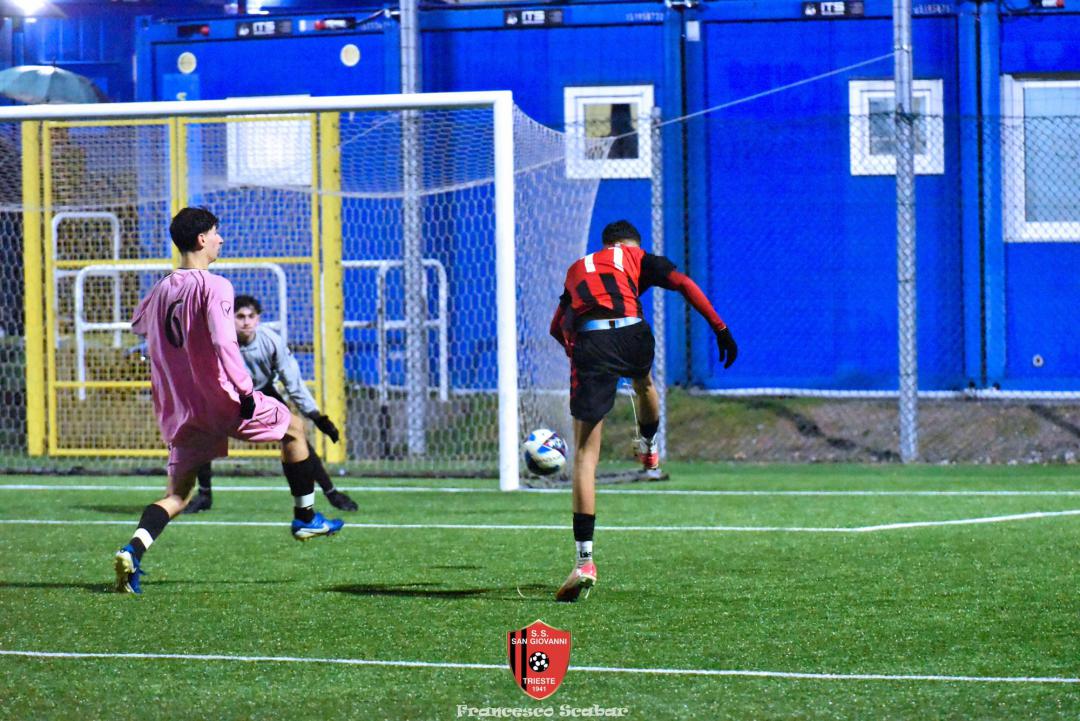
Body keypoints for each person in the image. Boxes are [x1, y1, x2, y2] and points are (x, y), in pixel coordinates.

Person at [113, 207, 344, 594]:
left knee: (177, 496)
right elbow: (224, 341)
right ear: (201, 239)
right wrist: (246, 390)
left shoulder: (161, 288)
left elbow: (138, 325)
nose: (221, 239)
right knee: (294, 427)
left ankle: (132, 551)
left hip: (182, 410)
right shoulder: (216, 285)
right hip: (222, 399)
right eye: (216, 232)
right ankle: (305, 518)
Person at [548, 220, 738, 602]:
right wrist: (720, 328)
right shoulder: (638, 257)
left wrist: (576, 352)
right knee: (644, 383)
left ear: (605, 244)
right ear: (632, 244)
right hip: (632, 333)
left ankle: (584, 562)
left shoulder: (578, 268)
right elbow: (684, 284)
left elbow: (557, 326)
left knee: (585, 456)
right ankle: (649, 445)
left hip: (592, 342)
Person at [183, 294, 357, 514]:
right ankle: (204, 495)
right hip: (228, 396)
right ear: (229, 319)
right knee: (202, 436)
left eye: (251, 316)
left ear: (258, 319)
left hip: (263, 392)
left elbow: (293, 382)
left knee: (296, 436)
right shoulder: (216, 342)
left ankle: (331, 493)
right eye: (240, 316)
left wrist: (317, 417)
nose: (246, 322)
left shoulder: (271, 341)